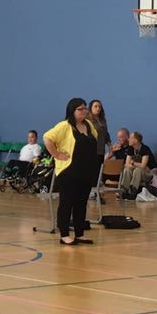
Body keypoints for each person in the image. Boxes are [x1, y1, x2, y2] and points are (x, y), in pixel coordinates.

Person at [45, 98, 102, 246]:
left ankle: (79, 233)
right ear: (72, 111)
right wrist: (57, 155)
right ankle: (64, 234)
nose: (84, 111)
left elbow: (94, 140)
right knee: (66, 203)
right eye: (80, 109)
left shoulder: (88, 125)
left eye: (85, 108)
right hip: (69, 172)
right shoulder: (64, 126)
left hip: (86, 171)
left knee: (81, 203)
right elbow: (47, 138)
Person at [119, 132, 157, 201]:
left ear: (136, 140)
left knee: (138, 170)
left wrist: (133, 162)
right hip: (138, 171)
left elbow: (143, 165)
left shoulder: (145, 149)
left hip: (149, 173)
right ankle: (124, 191)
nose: (128, 139)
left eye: (130, 138)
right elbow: (127, 164)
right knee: (127, 169)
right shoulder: (130, 148)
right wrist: (135, 164)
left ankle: (132, 192)